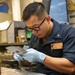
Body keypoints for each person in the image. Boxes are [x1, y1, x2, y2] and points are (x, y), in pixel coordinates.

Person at [14, 2, 75, 75]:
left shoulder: (68, 33)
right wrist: (22, 58)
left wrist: (42, 58)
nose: (34, 32)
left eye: (36, 27)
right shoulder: (35, 37)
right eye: (30, 28)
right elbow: (27, 63)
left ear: (48, 19)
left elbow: (71, 67)